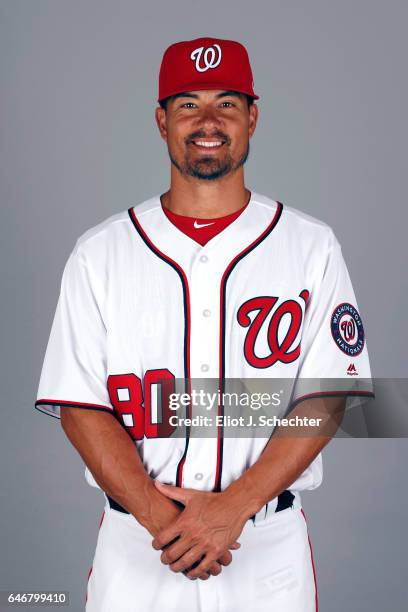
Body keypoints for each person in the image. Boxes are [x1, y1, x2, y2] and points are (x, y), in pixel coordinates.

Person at [35, 36, 374, 611]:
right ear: (162, 119)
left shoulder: (310, 246)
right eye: (189, 104)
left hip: (264, 547)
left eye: (227, 103)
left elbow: (325, 400)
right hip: (140, 549)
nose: (208, 120)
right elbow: (80, 407)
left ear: (253, 118)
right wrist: (165, 522)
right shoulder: (100, 253)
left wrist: (230, 509)